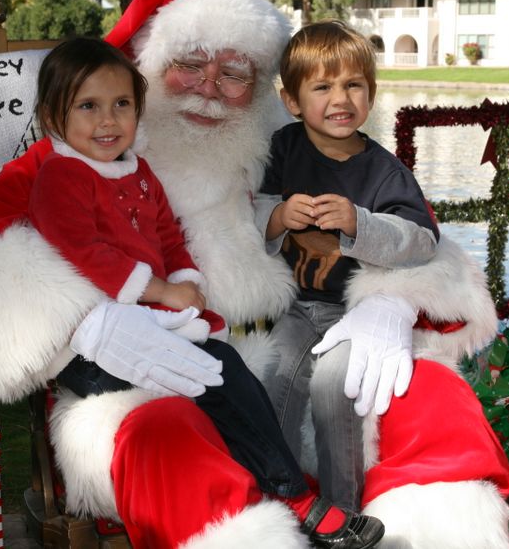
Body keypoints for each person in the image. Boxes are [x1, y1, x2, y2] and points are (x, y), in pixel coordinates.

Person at [0, 0, 509, 548]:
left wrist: (391, 301)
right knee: (167, 439)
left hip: (300, 349)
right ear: (148, 69)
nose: (210, 88)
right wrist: (83, 319)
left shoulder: (288, 140)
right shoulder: (78, 155)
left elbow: (414, 229)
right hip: (153, 371)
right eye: (189, 65)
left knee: (429, 396)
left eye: (234, 73)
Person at [27, 35, 383, 547]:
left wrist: (188, 282)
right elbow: (85, 253)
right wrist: (160, 291)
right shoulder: (61, 176)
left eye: (121, 105)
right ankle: (288, 499)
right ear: (52, 117)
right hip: (95, 347)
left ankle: (287, 495)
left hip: (157, 323)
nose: (108, 121)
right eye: (88, 107)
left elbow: (169, 234)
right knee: (211, 386)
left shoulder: (138, 171)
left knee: (228, 370)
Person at [255, 20, 439, 511]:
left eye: (353, 84)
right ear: (291, 99)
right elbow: (245, 215)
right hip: (295, 308)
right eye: (323, 86)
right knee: (274, 378)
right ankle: (282, 503)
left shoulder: (385, 170)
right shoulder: (281, 149)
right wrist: (277, 216)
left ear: (371, 94)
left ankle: (344, 512)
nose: (341, 98)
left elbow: (422, 241)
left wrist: (360, 224)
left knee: (337, 387)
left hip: (356, 314)